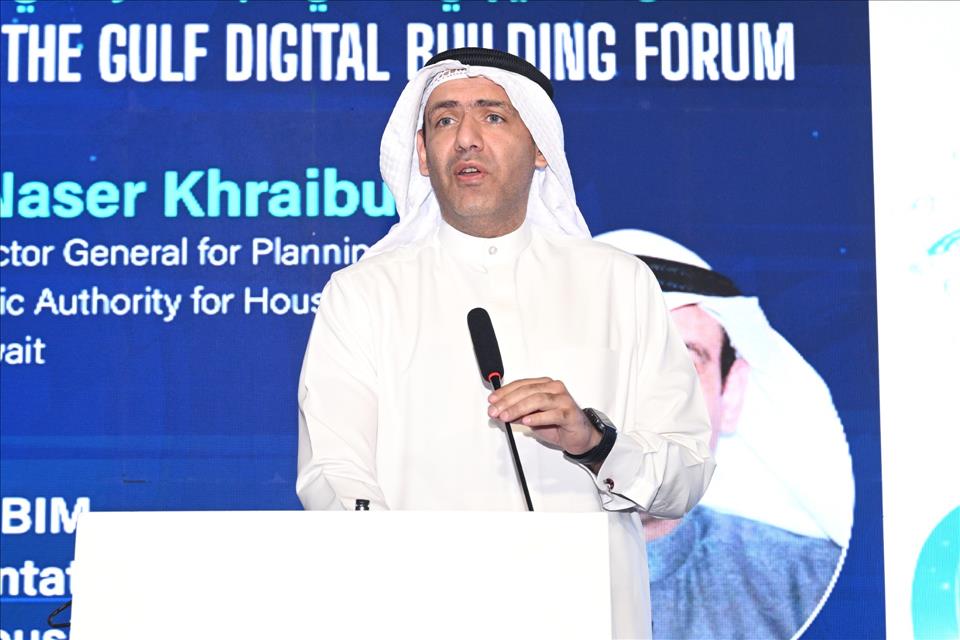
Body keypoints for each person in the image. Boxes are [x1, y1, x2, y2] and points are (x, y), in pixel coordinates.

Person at [296, 49, 715, 638]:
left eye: (492, 116)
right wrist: (400, 581)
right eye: (444, 120)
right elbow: (333, 473)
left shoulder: (619, 283)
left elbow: (686, 477)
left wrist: (594, 442)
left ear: (540, 145)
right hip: (420, 617)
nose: (466, 138)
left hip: (589, 618)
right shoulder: (364, 293)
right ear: (422, 154)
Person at [596, 229, 853, 639]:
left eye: (685, 364)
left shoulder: (806, 587)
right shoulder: (492, 575)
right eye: (614, 362)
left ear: (730, 395)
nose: (644, 400)